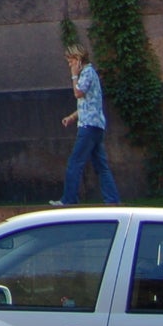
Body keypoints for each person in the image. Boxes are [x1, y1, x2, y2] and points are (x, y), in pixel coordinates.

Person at [54, 44, 120, 206]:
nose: (69, 64)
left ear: (78, 59)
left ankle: (69, 199)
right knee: (101, 165)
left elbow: (78, 93)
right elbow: (89, 103)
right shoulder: (91, 74)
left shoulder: (87, 73)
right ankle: (112, 200)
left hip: (88, 127)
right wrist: (72, 117)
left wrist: (73, 76)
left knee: (75, 163)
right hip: (96, 125)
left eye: (70, 61)